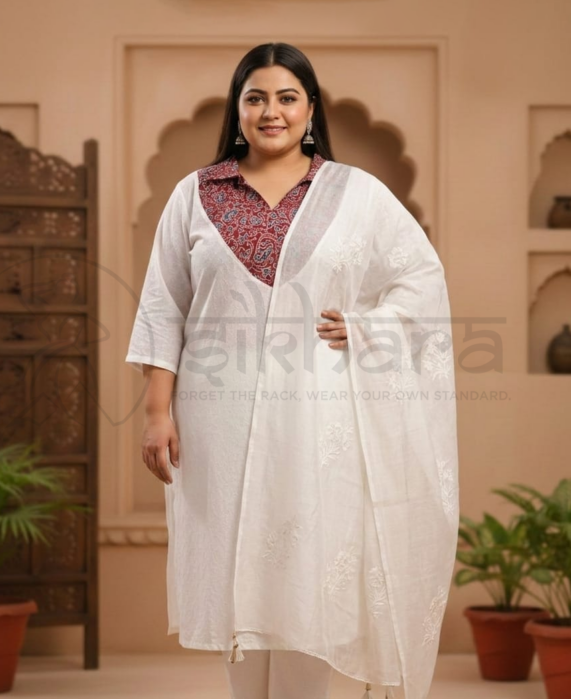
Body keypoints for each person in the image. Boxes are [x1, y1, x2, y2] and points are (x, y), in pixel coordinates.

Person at [126, 42, 459, 699]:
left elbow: (422, 280)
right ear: (237, 109)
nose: (270, 111)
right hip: (215, 417)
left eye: (286, 98)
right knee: (236, 575)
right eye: (255, 98)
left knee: (308, 572)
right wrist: (157, 412)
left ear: (310, 109)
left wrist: (367, 326)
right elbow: (164, 306)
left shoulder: (355, 193)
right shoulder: (196, 194)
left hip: (319, 416)